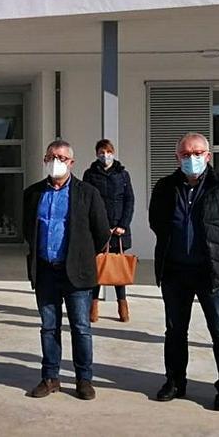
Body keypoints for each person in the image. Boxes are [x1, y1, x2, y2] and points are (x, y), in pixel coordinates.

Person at [148, 132, 219, 411]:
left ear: (208, 156)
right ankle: (175, 381)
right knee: (175, 331)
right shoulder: (165, 187)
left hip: (212, 273)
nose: (191, 158)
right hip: (175, 272)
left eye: (197, 153)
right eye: (185, 154)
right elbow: (157, 223)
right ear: (177, 157)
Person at [22, 139, 109, 401]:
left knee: (81, 327)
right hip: (46, 270)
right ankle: (50, 377)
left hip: (77, 272)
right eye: (51, 157)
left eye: (61, 158)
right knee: (49, 327)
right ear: (44, 160)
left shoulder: (87, 193)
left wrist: (81, 254)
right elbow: (28, 229)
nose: (55, 162)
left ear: (71, 162)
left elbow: (101, 231)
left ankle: (84, 379)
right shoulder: (33, 193)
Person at [82, 138, 135, 323]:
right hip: (98, 229)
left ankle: (122, 306)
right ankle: (93, 307)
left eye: (108, 152)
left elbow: (129, 200)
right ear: (96, 154)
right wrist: (97, 226)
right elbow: (86, 201)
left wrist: (123, 224)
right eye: (102, 152)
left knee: (118, 270)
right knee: (97, 268)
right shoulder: (90, 174)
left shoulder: (123, 174)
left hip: (119, 230)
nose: (105, 156)